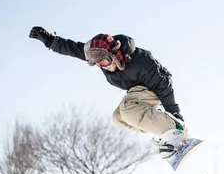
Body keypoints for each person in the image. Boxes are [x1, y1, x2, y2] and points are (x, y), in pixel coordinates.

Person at [29, 26, 187, 157]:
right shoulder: (99, 57)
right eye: (98, 64)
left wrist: (174, 112)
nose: (103, 66)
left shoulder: (141, 61)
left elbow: (163, 86)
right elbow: (74, 49)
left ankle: (175, 130)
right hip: (137, 90)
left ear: (115, 54)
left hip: (155, 87)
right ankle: (164, 133)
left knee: (127, 108)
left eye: (105, 61)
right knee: (118, 118)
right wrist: (49, 40)